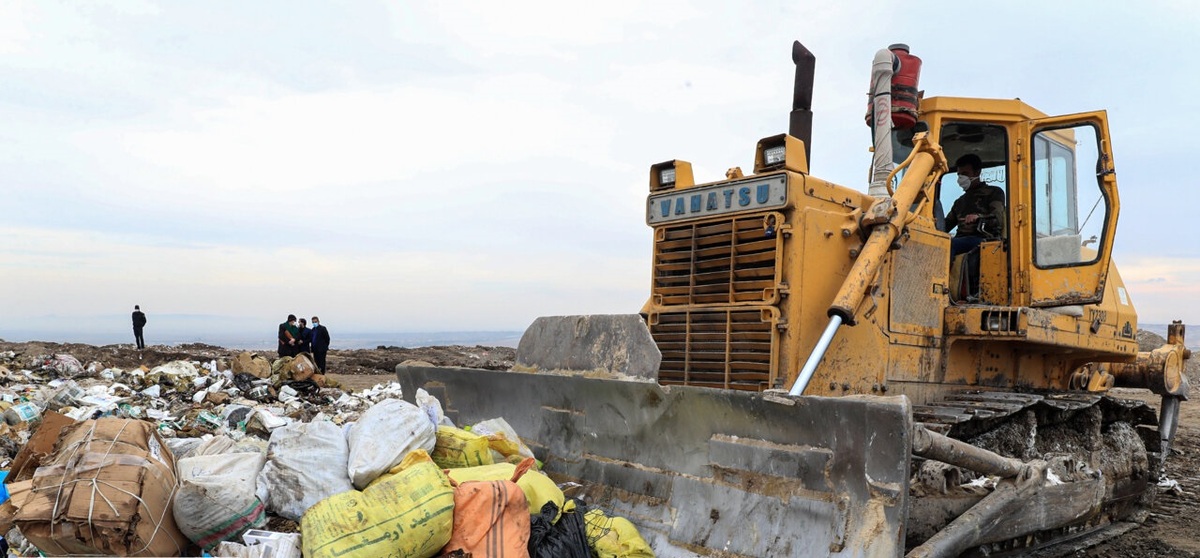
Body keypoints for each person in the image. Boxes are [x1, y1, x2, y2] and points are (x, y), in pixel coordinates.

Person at [943, 153, 1006, 258]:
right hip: (961, 240)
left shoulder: (994, 192)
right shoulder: (959, 202)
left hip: (983, 239)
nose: (961, 178)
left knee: (948, 245)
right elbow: (944, 226)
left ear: (977, 172)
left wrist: (978, 217)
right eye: (959, 175)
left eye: (965, 173)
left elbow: (997, 220)